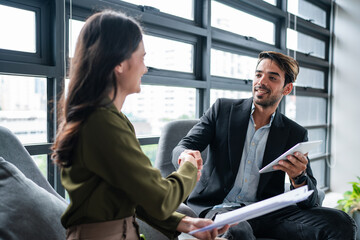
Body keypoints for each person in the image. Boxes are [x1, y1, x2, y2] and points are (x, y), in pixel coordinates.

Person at [51, 10, 229, 240]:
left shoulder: (108, 119)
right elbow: (162, 198)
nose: (145, 68)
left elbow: (134, 195)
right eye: (142, 58)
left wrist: (184, 222)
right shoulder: (101, 123)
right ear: (119, 63)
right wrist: (189, 167)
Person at [172, 51, 357, 239]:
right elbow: (183, 146)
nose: (261, 82)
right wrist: (185, 155)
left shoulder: (294, 133)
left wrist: (298, 177)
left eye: (272, 77)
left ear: (287, 88)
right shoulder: (223, 110)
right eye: (258, 74)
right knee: (238, 230)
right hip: (219, 207)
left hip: (266, 211)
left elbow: (311, 202)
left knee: (341, 223)